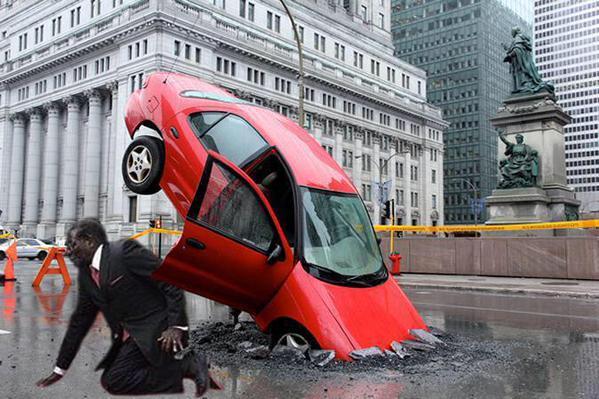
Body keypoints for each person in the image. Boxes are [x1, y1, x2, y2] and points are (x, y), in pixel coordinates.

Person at [36, 218, 213, 396]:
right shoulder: (86, 275)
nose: (69, 251)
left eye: (73, 244)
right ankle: (187, 367)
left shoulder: (124, 252)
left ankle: (188, 365)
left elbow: (168, 281)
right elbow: (79, 322)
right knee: (113, 380)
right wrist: (59, 370)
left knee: (116, 379)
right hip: (130, 333)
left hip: (156, 326)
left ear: (89, 241)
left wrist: (176, 326)